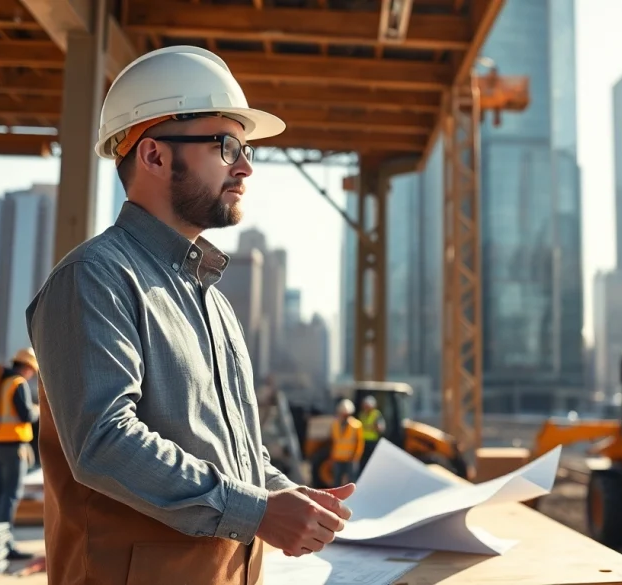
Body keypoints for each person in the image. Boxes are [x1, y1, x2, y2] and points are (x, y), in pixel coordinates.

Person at [25, 46, 354, 585]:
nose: (245, 166)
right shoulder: (94, 278)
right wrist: (259, 512)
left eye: (245, 148)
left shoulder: (212, 300)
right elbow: (105, 441)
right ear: (154, 156)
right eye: (226, 146)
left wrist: (277, 492)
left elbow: (227, 450)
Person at [0, 347, 39, 561]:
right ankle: (6, 545)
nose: (32, 374)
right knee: (10, 494)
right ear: (26, 367)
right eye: (32, 370)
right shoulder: (18, 384)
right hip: (12, 445)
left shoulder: (0, 382)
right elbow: (26, 414)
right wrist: (39, 409)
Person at [330, 399, 364, 486]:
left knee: (351, 482)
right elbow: (334, 441)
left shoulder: (356, 425)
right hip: (338, 458)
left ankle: (352, 499)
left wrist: (356, 457)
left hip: (351, 459)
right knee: (337, 481)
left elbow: (360, 443)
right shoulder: (335, 424)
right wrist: (332, 455)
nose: (344, 416)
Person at [358, 395, 385, 471]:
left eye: (367, 406)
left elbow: (381, 428)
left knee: (371, 462)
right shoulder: (362, 414)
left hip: (372, 442)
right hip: (363, 441)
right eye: (365, 406)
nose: (365, 408)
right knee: (362, 462)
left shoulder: (376, 415)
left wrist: (375, 427)